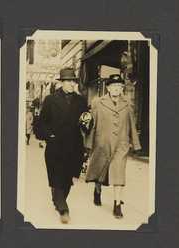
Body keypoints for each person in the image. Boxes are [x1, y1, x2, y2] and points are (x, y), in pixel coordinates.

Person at [85, 74, 141, 219]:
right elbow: (93, 125)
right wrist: (88, 145)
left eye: (120, 87)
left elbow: (131, 124)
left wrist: (135, 143)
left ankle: (117, 205)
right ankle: (97, 190)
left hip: (121, 145)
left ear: (122, 89)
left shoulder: (127, 104)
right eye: (114, 86)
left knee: (118, 173)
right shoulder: (98, 102)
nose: (117, 89)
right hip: (102, 143)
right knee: (99, 170)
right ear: (108, 88)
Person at [36, 68, 87, 224]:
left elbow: (85, 122)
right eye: (69, 81)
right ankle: (63, 209)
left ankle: (58, 198)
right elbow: (41, 123)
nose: (72, 84)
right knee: (57, 176)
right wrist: (48, 135)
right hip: (55, 146)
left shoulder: (81, 101)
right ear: (62, 82)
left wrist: (87, 124)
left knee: (67, 180)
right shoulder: (51, 100)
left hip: (74, 147)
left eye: (74, 81)